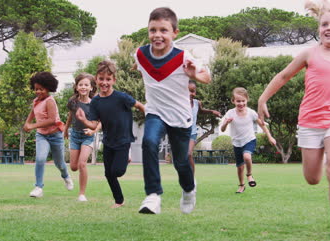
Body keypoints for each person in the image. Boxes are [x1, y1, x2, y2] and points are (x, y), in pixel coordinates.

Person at [257, 0, 330, 238]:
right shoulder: (309, 54)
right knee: (312, 178)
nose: (328, 28)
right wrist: (262, 99)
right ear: (319, 28)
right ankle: (320, 164)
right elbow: (284, 75)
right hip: (310, 120)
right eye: (324, 24)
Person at [135, 7, 211, 215]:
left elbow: (207, 77)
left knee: (181, 162)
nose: (157, 35)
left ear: (174, 33)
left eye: (163, 30)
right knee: (149, 142)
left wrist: (194, 75)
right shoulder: (140, 54)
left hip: (180, 117)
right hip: (155, 112)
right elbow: (141, 67)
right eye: (153, 30)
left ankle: (188, 190)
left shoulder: (183, 56)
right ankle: (153, 196)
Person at [76, 61, 145, 208]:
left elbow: (139, 106)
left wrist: (149, 117)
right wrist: (83, 120)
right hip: (108, 140)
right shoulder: (95, 102)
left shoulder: (122, 97)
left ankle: (126, 156)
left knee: (117, 171)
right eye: (101, 79)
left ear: (114, 80)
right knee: (109, 174)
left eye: (108, 79)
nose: (104, 82)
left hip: (123, 139)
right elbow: (94, 125)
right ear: (96, 79)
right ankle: (119, 201)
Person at [23, 72, 73, 198]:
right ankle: (38, 187)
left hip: (55, 135)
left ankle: (66, 176)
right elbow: (33, 112)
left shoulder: (50, 101)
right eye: (36, 89)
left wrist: (32, 126)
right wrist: (27, 123)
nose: (38, 91)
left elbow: (51, 120)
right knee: (40, 159)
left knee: (60, 163)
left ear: (49, 88)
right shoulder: (36, 101)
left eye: (41, 89)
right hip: (42, 135)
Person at [221, 88, 276, 194]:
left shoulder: (251, 113)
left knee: (247, 156)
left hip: (249, 140)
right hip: (237, 143)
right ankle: (241, 185)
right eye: (238, 101)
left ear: (247, 100)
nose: (241, 103)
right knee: (240, 167)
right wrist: (226, 123)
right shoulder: (230, 113)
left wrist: (270, 137)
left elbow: (262, 125)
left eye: (243, 101)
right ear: (233, 101)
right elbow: (222, 129)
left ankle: (249, 175)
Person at [64, 73, 101, 202]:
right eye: (81, 85)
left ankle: (81, 194)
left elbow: (101, 121)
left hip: (88, 136)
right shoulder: (73, 102)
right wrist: (65, 130)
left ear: (91, 88)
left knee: (82, 164)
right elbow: (70, 115)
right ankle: (68, 176)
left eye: (86, 85)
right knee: (74, 167)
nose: (83, 87)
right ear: (76, 87)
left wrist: (94, 131)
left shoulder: (95, 103)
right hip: (75, 135)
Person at [187, 80, 221, 173]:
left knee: (189, 154)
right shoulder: (180, 103)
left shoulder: (197, 103)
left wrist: (212, 112)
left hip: (192, 133)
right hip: (180, 133)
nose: (191, 94)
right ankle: (185, 177)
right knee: (182, 158)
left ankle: (192, 180)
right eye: (188, 91)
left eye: (193, 91)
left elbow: (201, 111)